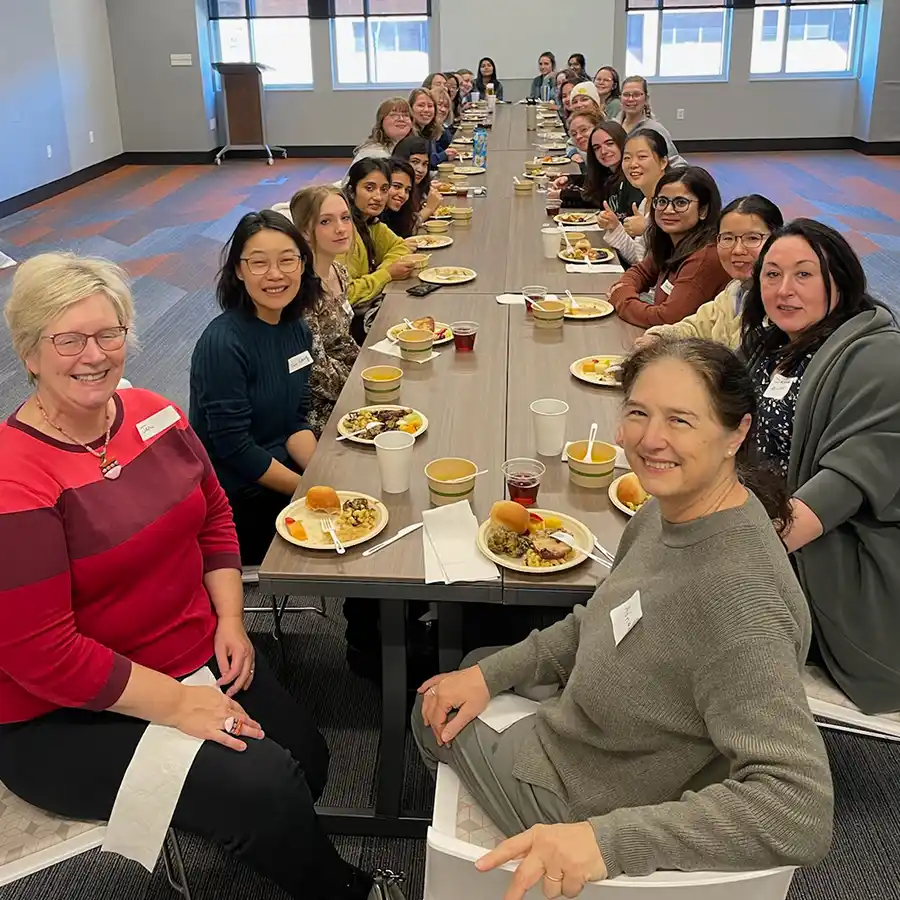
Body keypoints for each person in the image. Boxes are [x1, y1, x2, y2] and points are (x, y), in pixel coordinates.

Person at [0, 252, 389, 900]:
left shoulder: (152, 413)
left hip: (189, 652)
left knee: (308, 763)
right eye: (67, 339)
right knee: (265, 786)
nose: (92, 355)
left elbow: (213, 516)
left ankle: (233, 824)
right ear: (30, 354)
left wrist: (231, 620)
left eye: (109, 333)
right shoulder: (17, 482)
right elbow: (45, 658)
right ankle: (350, 891)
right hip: (67, 715)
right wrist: (181, 705)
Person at [413, 336, 834, 891]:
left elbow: (800, 811)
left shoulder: (738, 601)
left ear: (737, 433)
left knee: (428, 708)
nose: (650, 439)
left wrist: (606, 841)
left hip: (588, 795)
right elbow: (604, 617)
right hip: (608, 735)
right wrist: (491, 675)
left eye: (680, 420)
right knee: (479, 662)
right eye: (638, 412)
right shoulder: (674, 510)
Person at [740, 219, 900, 714]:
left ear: (841, 280)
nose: (783, 290)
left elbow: (844, 483)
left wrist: (734, 550)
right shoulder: (770, 347)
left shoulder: (880, 358)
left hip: (829, 547)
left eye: (804, 275)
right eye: (771, 274)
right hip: (767, 521)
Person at [189, 212, 318, 566]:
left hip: (279, 471)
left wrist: (321, 476)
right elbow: (233, 447)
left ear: (303, 264)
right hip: (236, 497)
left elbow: (295, 420)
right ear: (238, 271)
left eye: (287, 260)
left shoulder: (296, 329)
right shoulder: (222, 343)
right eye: (259, 263)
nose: (275, 274)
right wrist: (305, 490)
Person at [637, 195, 784, 350]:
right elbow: (696, 327)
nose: (738, 250)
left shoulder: (780, 306)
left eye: (752, 238)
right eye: (728, 238)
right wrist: (657, 338)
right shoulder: (734, 292)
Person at [610, 166, 730, 327]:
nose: (668, 210)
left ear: (703, 210)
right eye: (662, 201)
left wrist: (621, 297)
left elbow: (667, 319)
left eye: (681, 203)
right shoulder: (672, 240)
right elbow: (641, 271)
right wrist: (625, 288)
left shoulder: (705, 257)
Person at [288, 187, 360, 437]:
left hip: (348, 378)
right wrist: (364, 383)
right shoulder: (302, 290)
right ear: (306, 231)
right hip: (321, 405)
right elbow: (316, 373)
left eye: (345, 217)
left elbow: (343, 341)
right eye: (326, 221)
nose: (341, 228)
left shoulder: (338, 272)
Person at [338, 157, 414, 340]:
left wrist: (384, 268)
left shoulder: (371, 224)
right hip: (348, 328)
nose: (378, 197)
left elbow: (400, 246)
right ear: (351, 190)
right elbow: (346, 296)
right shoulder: (341, 234)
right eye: (369, 188)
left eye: (384, 189)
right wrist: (386, 274)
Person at [601, 128, 670, 265]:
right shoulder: (646, 202)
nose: (633, 164)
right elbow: (639, 260)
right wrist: (615, 227)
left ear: (663, 162)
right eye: (627, 158)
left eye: (642, 157)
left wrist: (649, 229)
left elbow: (675, 261)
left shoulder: (672, 202)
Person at [556, 122, 642, 215]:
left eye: (609, 144)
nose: (603, 151)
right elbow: (592, 198)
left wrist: (562, 195)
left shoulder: (633, 178)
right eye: (597, 148)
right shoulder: (609, 175)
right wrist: (571, 180)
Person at [617, 75, 686, 167]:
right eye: (626, 95)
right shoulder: (614, 125)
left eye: (636, 94)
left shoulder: (655, 130)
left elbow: (677, 163)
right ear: (620, 98)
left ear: (646, 99)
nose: (630, 99)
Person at [393, 134, 442, 225]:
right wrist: (429, 209)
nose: (420, 170)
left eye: (425, 164)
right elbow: (406, 228)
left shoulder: (417, 188)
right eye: (414, 162)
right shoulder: (393, 191)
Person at [350, 97, 412, 166]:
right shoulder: (371, 154)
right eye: (394, 115)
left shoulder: (414, 150)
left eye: (405, 115)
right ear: (381, 121)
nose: (401, 119)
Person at [409, 87, 457, 168]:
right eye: (421, 105)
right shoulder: (410, 134)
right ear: (410, 108)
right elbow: (427, 163)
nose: (426, 110)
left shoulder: (428, 130)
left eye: (430, 106)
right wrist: (444, 155)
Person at [380, 158, 419, 239]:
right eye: (396, 186)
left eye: (407, 190)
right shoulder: (371, 219)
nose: (403, 195)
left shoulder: (399, 215)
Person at [565, 83, 605, 161]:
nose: (579, 105)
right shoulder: (574, 122)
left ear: (595, 102)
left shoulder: (607, 125)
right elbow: (570, 143)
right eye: (575, 102)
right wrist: (573, 153)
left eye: (584, 99)